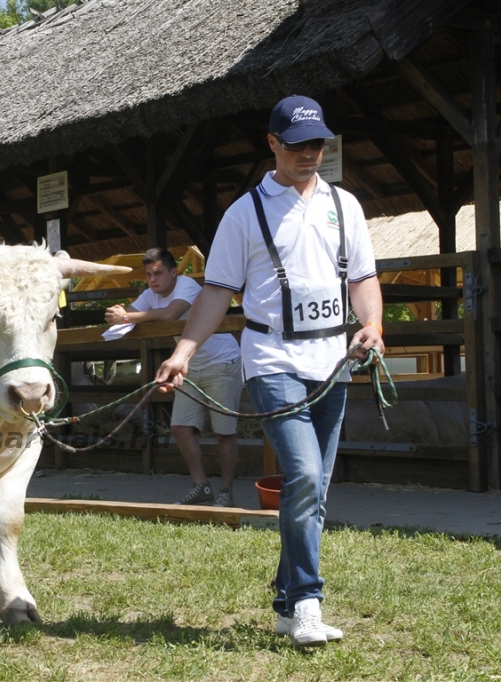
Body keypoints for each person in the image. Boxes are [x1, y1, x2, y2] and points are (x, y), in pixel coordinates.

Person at [155, 95, 384, 647]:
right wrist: (182, 353)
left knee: (315, 486)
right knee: (304, 476)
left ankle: (285, 603)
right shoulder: (243, 214)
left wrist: (373, 326)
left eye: (318, 144)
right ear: (273, 145)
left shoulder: (344, 205)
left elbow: (363, 280)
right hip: (271, 360)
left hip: (333, 361)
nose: (311, 153)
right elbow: (215, 293)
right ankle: (308, 602)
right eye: (299, 144)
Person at [105, 247, 243, 507]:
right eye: (148, 275)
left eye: (158, 273)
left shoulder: (188, 286)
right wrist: (119, 314)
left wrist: (124, 316)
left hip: (221, 362)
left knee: (225, 432)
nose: (152, 279)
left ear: (173, 272)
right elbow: (125, 318)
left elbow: (170, 314)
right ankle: (201, 486)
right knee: (180, 428)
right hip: (187, 365)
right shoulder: (149, 294)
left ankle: (226, 491)